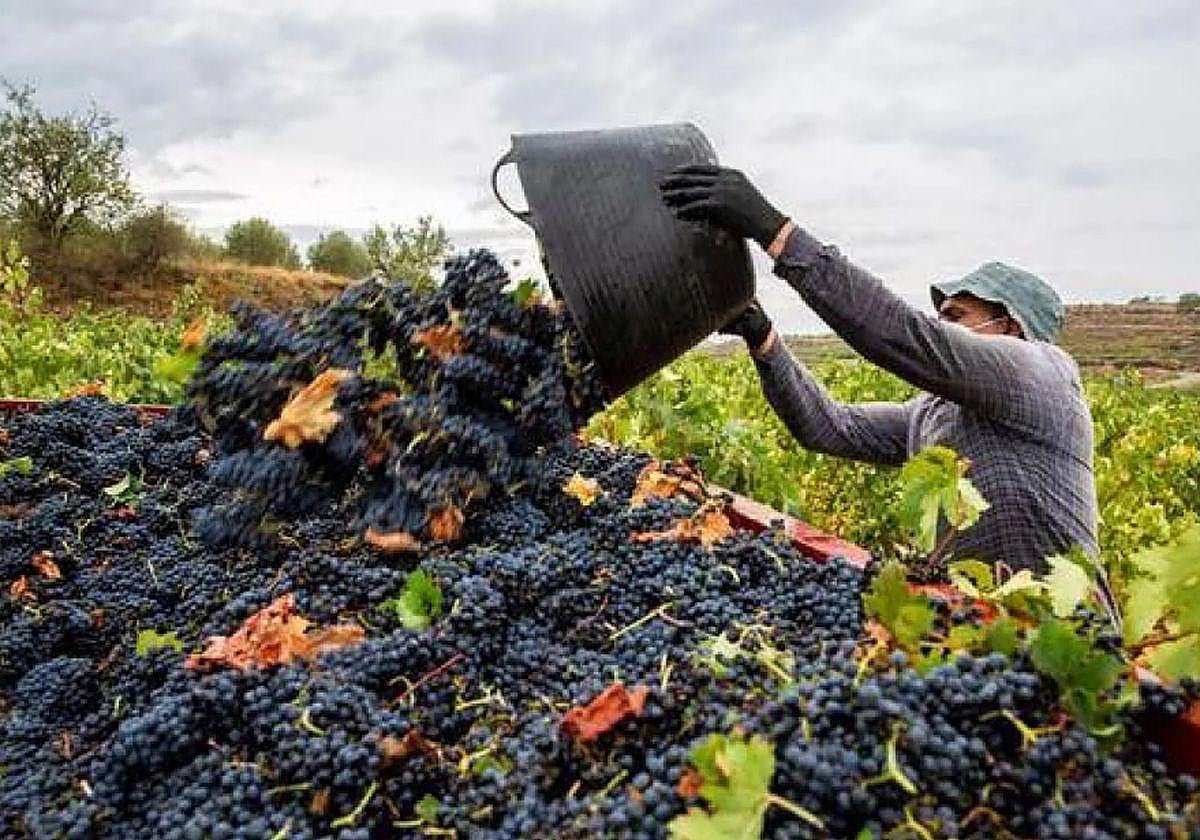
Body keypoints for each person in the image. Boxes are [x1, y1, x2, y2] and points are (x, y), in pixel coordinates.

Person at [658, 164, 1098, 572]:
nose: (943, 325)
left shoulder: (1044, 375)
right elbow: (829, 427)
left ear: (1012, 327)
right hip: (979, 633)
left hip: (1068, 639)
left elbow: (906, 336)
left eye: (956, 316)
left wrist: (777, 233)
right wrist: (764, 339)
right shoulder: (930, 417)